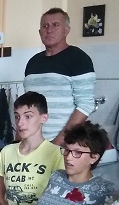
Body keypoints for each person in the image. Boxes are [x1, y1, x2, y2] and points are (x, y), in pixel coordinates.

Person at [23, 8, 96, 145]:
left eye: (55, 25)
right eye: (45, 26)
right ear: (39, 32)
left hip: (64, 144)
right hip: (32, 143)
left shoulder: (79, 59)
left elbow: (86, 105)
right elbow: (25, 106)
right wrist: (20, 140)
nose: (49, 30)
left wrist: (57, 143)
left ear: (66, 30)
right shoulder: (33, 62)